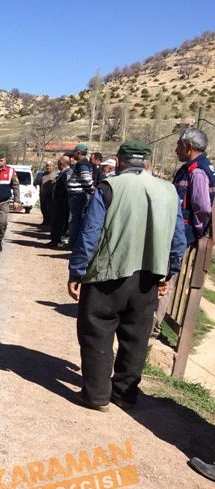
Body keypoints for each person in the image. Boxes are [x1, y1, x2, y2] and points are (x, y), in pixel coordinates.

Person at [67, 140, 187, 411]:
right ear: (148, 164)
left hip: (107, 275)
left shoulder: (109, 187)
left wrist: (77, 271)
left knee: (96, 330)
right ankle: (124, 392)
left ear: (119, 162)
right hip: (148, 278)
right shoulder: (169, 192)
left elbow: (90, 233)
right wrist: (169, 274)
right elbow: (178, 240)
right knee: (137, 335)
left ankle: (96, 395)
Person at [153, 127, 215, 337]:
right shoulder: (190, 168)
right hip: (179, 230)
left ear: (188, 147)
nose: (175, 150)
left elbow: (203, 207)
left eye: (178, 146)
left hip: (183, 233)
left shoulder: (197, 171)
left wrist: (195, 232)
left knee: (168, 277)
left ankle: (152, 326)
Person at [66, 143, 97, 249]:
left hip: (78, 196)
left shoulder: (83, 163)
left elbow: (86, 179)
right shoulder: (81, 163)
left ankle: (74, 244)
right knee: (75, 219)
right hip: (77, 195)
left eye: (74, 152)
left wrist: (92, 190)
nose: (73, 155)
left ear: (79, 153)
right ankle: (73, 242)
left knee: (76, 220)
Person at [47, 155, 72, 247]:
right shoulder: (62, 173)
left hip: (63, 203)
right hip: (58, 203)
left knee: (61, 223)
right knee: (56, 222)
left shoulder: (67, 173)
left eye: (58, 164)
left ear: (61, 164)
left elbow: (67, 188)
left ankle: (59, 241)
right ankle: (54, 240)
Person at [39, 159, 57, 227]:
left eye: (50, 166)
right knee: (43, 208)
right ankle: (45, 220)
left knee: (51, 209)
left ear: (53, 166)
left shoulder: (56, 174)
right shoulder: (43, 174)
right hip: (43, 194)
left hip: (52, 195)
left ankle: (50, 221)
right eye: (47, 166)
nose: (48, 167)